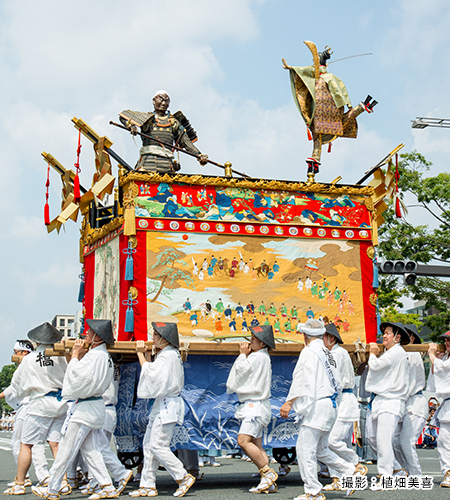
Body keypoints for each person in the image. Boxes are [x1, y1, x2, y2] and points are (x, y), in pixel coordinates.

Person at [32, 319, 122, 500]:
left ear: (97, 337)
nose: (85, 334)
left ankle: (52, 488)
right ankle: (107, 486)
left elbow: (78, 377)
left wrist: (74, 355)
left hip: (86, 408)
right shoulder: (100, 354)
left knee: (66, 448)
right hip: (93, 406)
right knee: (91, 450)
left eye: (89, 332)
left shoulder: (95, 356)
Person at [280, 319, 357, 500]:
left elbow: (301, 379)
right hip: (330, 404)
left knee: (305, 449)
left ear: (305, 335)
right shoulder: (328, 353)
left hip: (318, 406)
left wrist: (289, 402)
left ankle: (313, 491)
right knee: (321, 450)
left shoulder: (308, 352)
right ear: (322, 335)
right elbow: (337, 382)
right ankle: (349, 470)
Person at [282, 42, 376, 174]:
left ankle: (315, 157)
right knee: (332, 127)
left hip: (324, 111)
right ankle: (361, 107)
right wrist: (348, 105)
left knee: (318, 134)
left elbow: (337, 91)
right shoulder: (326, 77)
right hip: (326, 112)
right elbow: (339, 92)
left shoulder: (324, 78)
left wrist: (292, 68)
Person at [129, 322, 195, 498]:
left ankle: (182, 476)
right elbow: (154, 374)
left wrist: (140, 355)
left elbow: (151, 374)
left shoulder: (168, 356)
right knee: (149, 445)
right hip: (162, 404)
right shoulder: (167, 355)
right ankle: (147, 485)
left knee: (158, 445)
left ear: (164, 339)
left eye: (156, 335)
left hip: (167, 406)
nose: (153, 337)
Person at [4, 323, 68, 496]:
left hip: (39, 404)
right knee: (56, 444)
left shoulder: (30, 359)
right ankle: (63, 481)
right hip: (60, 403)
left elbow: (17, 385)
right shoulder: (62, 356)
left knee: (26, 444)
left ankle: (19, 483)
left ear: (36, 341)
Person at [226, 325, 278, 494]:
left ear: (262, 343)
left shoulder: (256, 358)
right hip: (258, 405)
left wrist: (242, 355)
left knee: (243, 441)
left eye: (253, 338)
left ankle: (267, 473)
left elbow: (241, 370)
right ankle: (266, 481)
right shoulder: (262, 357)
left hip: (254, 406)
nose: (250, 341)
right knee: (257, 444)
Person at [321, 324, 367, 492]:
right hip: (340, 400)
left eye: (322, 337)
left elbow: (333, 381)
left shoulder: (336, 354)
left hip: (343, 400)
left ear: (331, 338)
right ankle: (340, 479)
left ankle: (356, 463)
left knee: (332, 441)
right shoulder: (335, 353)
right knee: (338, 441)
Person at [365, 322, 410, 488]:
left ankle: (386, 476)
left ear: (397, 337)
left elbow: (376, 366)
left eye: (388, 333)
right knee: (371, 438)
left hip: (392, 401)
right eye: (383, 333)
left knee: (384, 440)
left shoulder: (397, 351)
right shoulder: (389, 353)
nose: (384, 335)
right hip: (380, 400)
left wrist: (371, 354)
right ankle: (397, 469)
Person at [0, 340, 49, 489]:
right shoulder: (39, 362)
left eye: (16, 352)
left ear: (24, 353)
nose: (14, 355)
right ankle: (45, 476)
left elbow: (13, 387)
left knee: (21, 442)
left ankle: (26, 477)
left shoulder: (27, 363)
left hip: (28, 405)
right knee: (38, 443)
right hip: (42, 404)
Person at [120, 91, 207, 173]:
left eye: (166, 101)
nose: (163, 103)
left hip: (167, 165)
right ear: (154, 101)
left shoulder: (174, 122)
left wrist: (199, 155)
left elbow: (187, 142)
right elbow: (123, 116)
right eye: (161, 100)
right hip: (147, 164)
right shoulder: (146, 119)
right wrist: (131, 126)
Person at [395, 324, 428, 476]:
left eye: (404, 334)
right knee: (394, 440)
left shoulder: (413, 353)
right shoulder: (400, 353)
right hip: (405, 402)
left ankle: (416, 475)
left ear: (412, 338)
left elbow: (410, 383)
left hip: (414, 402)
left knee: (406, 442)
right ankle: (404, 471)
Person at [427, 331, 450, 486]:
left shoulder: (444, 361)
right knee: (444, 440)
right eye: (446, 341)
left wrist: (431, 354)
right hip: (447, 403)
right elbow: (437, 372)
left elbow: (442, 369)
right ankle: (448, 472)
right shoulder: (445, 358)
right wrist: (438, 358)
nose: (448, 343)